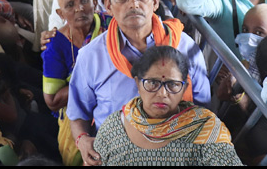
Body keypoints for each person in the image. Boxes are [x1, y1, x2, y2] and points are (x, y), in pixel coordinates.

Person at [67, 0, 210, 166]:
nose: (133, 4)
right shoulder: (91, 57)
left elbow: (202, 109)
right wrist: (82, 140)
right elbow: (77, 115)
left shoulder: (185, 48)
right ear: (107, 5)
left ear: (154, 0)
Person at [93, 44, 242, 165]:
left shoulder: (205, 128)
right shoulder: (113, 128)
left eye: (172, 85)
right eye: (152, 83)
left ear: (184, 88)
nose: (162, 93)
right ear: (138, 84)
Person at [43, 0, 110, 163]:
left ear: (95, 4)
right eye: (70, 5)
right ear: (61, 13)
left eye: (84, 1)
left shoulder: (112, 26)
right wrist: (88, 82)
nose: (79, 9)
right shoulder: (55, 45)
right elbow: (52, 100)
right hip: (76, 117)